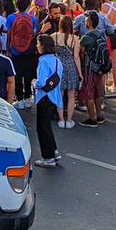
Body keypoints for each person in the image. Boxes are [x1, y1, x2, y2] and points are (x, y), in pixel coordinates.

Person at [32, 34, 65, 168]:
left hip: (43, 96)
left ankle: (48, 157)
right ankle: (54, 151)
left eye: (38, 44)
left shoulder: (43, 61)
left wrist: (34, 83)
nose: (37, 46)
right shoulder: (57, 60)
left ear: (43, 46)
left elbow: (41, 81)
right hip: (54, 96)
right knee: (47, 126)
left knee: (42, 127)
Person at [77, 11, 108, 127]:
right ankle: (100, 115)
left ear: (89, 22)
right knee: (97, 91)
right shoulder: (101, 34)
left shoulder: (86, 38)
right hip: (100, 67)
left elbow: (81, 54)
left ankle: (92, 118)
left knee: (88, 92)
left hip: (89, 67)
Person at [53, 15, 82, 129]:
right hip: (71, 67)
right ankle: (69, 120)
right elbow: (76, 57)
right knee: (71, 96)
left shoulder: (53, 37)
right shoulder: (75, 38)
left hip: (58, 68)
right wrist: (80, 73)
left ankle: (61, 119)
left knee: (59, 94)